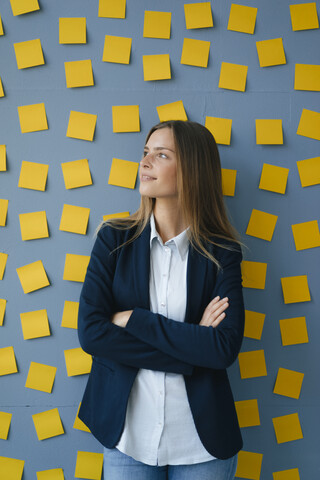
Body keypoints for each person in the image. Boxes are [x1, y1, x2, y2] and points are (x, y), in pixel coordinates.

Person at [78, 120, 245, 480]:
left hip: (202, 442)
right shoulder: (113, 240)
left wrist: (135, 320)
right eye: (145, 153)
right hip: (128, 436)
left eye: (161, 154)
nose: (145, 162)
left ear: (192, 170)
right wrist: (191, 345)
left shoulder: (223, 253)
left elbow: (222, 349)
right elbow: (92, 335)